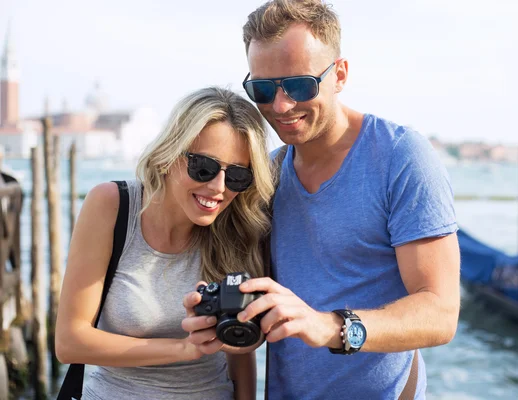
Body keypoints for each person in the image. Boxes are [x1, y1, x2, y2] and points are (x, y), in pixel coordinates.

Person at [183, 1, 461, 398]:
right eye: (263, 89)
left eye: (299, 86)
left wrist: (330, 327)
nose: (280, 107)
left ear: (340, 75)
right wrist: (225, 321)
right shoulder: (268, 175)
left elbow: (440, 313)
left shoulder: (401, 156)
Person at [55, 86, 274, 400]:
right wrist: (185, 348)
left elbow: (242, 350)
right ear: (170, 154)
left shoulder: (242, 225)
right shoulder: (111, 205)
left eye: (238, 176)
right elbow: (70, 342)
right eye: (204, 167)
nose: (218, 188)